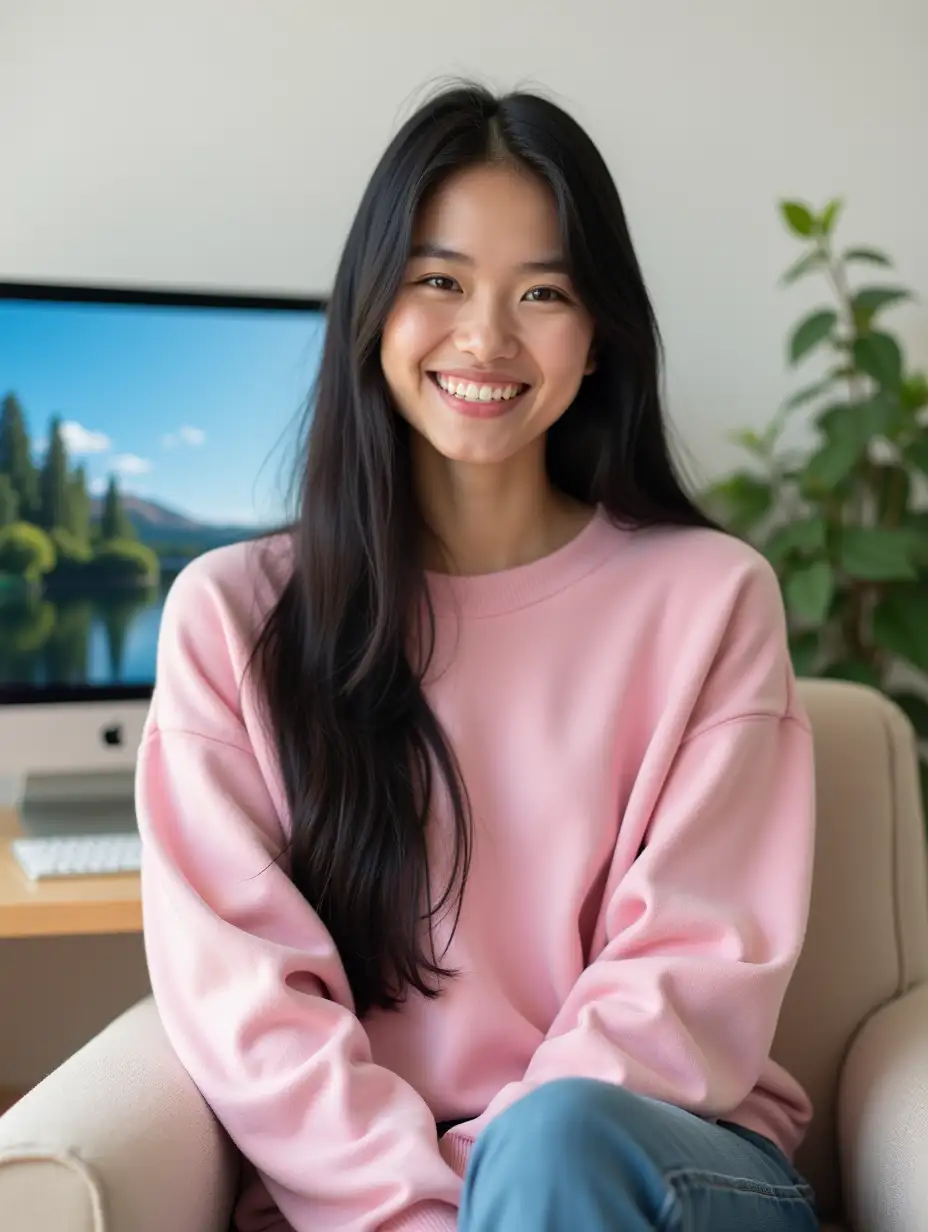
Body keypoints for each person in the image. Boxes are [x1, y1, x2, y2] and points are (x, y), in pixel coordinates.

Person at [136, 82, 819, 1232]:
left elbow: (691, 966)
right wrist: (426, 1208)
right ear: (373, 307)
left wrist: (512, 1180)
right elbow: (249, 1009)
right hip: (368, 1204)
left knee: (555, 1142)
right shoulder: (232, 618)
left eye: (542, 292)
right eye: (439, 280)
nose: (485, 338)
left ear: (597, 333)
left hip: (666, 1165)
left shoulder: (710, 598)